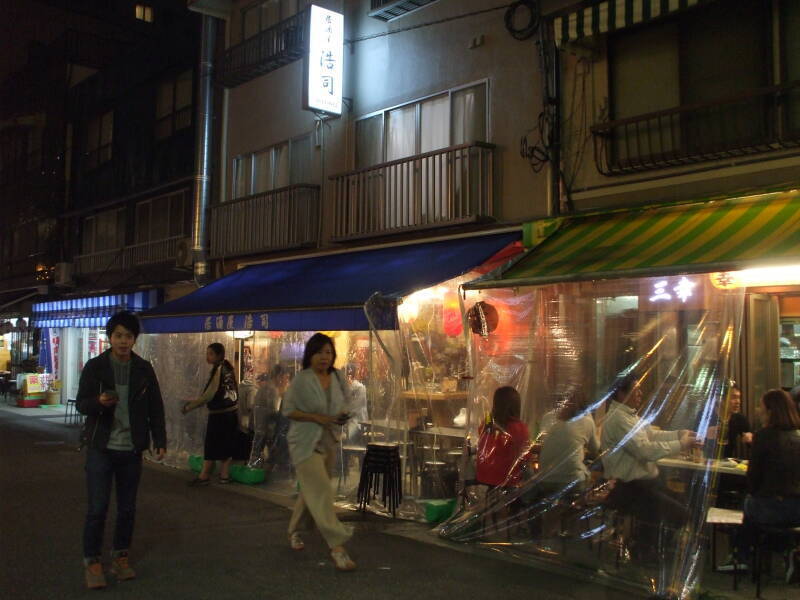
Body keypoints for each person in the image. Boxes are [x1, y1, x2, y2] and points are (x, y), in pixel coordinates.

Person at [76, 311, 166, 590]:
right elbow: (81, 404)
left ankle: (120, 555)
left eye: (128, 336)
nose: (123, 341)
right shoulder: (95, 366)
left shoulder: (143, 368)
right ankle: (92, 559)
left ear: (135, 339)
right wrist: (99, 402)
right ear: (110, 337)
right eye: (118, 335)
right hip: (101, 447)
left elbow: (155, 407)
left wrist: (159, 438)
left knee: (127, 508)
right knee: (98, 507)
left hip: (131, 448)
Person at [600, 373, 697, 560]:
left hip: (645, 484)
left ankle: (650, 546)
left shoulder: (629, 416)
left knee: (684, 503)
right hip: (630, 488)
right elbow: (645, 450)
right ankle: (646, 550)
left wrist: (679, 434)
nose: (640, 394)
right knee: (680, 513)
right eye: (636, 391)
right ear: (621, 393)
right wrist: (681, 444)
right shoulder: (618, 419)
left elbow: (651, 435)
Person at [282, 333, 356, 571]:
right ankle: (337, 546)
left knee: (310, 491)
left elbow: (345, 403)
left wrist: (341, 416)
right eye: (319, 352)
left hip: (328, 441)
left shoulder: (337, 377)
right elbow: (288, 410)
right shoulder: (302, 379)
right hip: (304, 443)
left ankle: (293, 531)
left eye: (328, 352)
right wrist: (315, 417)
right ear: (310, 355)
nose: (324, 357)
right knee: (322, 490)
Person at [723, 389, 800, 579]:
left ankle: (742, 557)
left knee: (747, 504)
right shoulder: (798, 436)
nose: (757, 410)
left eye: (761, 406)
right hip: (797, 509)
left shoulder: (764, 436)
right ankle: (787, 550)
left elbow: (753, 479)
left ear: (770, 411)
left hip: (771, 507)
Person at [181, 343, 238, 485]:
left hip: (219, 414)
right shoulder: (229, 369)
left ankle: (204, 475)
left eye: (210, 354)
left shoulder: (219, 370)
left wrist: (190, 406)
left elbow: (209, 395)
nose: (207, 356)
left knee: (211, 444)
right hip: (231, 413)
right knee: (226, 444)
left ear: (219, 355)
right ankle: (224, 476)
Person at [538, 387, 599, 490]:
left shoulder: (548, 418)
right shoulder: (586, 420)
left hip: (544, 479)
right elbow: (595, 449)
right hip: (571, 481)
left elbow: (547, 443)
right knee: (591, 479)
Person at [476, 386, 531, 488]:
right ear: (516, 405)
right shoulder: (518, 427)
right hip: (506, 479)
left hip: (484, 476)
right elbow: (524, 455)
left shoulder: (487, 422)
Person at [248, 365, 290, 468]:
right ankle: (257, 471)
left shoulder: (268, 387)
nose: (287, 381)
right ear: (279, 377)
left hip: (261, 427)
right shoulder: (272, 390)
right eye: (286, 377)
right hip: (265, 428)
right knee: (263, 452)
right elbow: (274, 412)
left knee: (259, 451)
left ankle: (256, 468)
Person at [723, 383, 753, 459]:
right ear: (721, 398)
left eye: (739, 398)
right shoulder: (706, 416)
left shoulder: (739, 419)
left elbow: (753, 445)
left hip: (727, 467)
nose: (738, 402)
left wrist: (751, 440)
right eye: (733, 397)